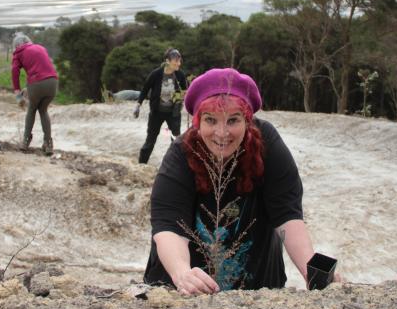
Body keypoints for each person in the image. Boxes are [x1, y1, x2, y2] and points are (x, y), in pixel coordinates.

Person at [144, 68, 338, 294]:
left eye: (233, 120)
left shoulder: (267, 144)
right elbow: (169, 223)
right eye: (210, 120)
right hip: (188, 287)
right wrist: (181, 272)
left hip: (257, 285)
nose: (221, 133)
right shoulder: (182, 153)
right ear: (197, 121)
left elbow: (287, 215)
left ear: (248, 120)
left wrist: (311, 271)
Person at [134, 48, 188, 164]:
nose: (178, 64)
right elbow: (145, 89)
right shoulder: (156, 74)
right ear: (167, 61)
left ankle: (176, 166)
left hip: (173, 113)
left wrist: (182, 100)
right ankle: (141, 164)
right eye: (175, 61)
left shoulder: (180, 75)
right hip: (156, 113)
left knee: (176, 140)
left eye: (179, 61)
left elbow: (185, 91)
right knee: (150, 140)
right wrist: (138, 104)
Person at [11, 33, 59, 155]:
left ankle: (25, 142)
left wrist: (17, 92)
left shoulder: (18, 53)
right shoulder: (40, 47)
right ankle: (48, 144)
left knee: (32, 109)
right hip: (53, 82)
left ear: (16, 45)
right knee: (43, 110)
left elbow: (14, 71)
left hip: (36, 82)